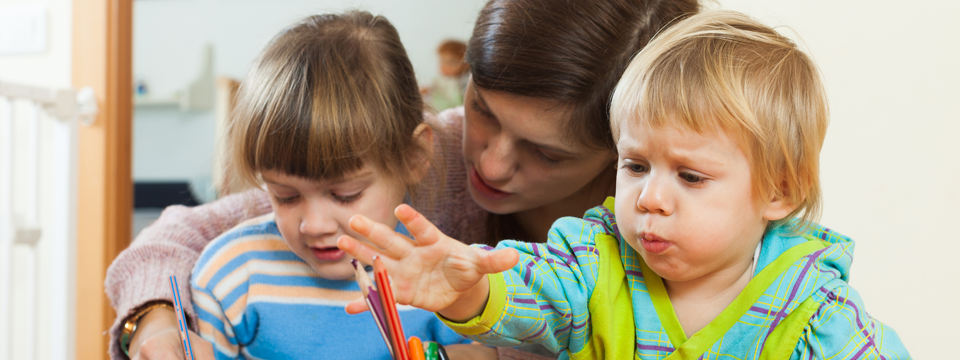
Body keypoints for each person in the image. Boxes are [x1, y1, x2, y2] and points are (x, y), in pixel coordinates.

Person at [104, 1, 699, 359]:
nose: (489, 164)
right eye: (483, 110)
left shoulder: (662, 229)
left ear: (621, 152)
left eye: (545, 153)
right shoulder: (425, 154)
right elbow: (178, 238)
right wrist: (153, 321)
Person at [336, 11, 912, 359]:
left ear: (779, 191)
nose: (649, 198)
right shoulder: (595, 261)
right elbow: (536, 291)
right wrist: (470, 294)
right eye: (636, 166)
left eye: (690, 176)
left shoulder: (819, 319)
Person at [185, 12, 492, 359]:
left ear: (413, 158)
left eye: (345, 195)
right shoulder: (231, 275)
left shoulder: (438, 280)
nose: (314, 225)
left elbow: (486, 352)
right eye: (285, 196)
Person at [422, 39, 470, 111]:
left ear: (465, 63)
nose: (446, 66)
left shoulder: (464, 80)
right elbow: (427, 89)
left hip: (457, 112)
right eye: (442, 61)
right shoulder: (437, 80)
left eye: (452, 62)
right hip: (438, 111)